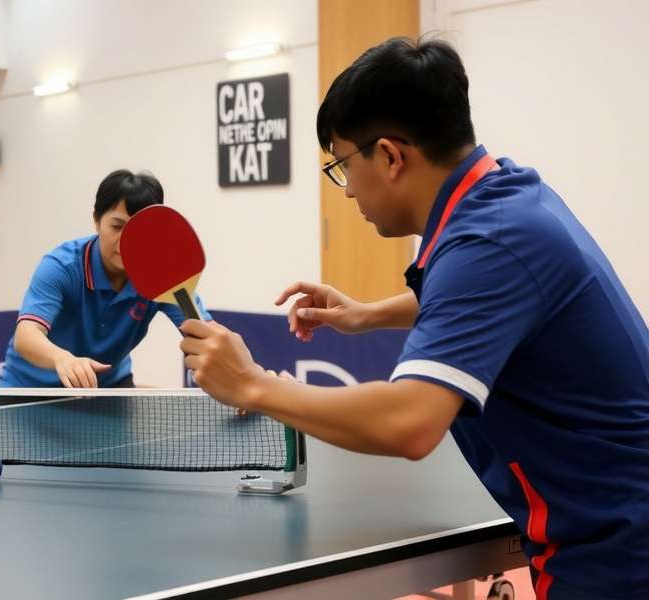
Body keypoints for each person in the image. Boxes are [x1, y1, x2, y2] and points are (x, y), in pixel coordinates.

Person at [179, 37, 648, 600]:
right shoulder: (505, 197)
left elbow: (411, 423)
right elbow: (489, 298)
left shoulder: (489, 241)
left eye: (342, 165)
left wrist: (253, 386)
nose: (347, 190)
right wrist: (366, 313)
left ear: (390, 156)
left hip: (615, 547)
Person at [0, 169, 210, 394]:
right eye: (117, 227)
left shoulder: (163, 275)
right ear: (96, 221)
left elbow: (203, 334)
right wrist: (64, 360)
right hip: (31, 389)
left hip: (106, 386)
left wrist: (237, 382)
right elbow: (26, 335)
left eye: (139, 230)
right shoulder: (62, 267)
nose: (127, 240)